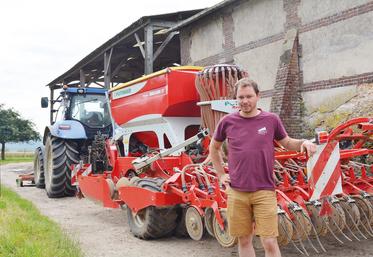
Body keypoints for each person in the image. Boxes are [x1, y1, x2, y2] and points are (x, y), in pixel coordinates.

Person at [209, 78, 316, 257]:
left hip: (264, 191)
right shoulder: (227, 122)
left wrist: (304, 142)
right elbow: (214, 147)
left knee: (269, 241)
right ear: (236, 99)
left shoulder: (271, 120)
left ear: (258, 96)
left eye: (249, 96)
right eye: (240, 97)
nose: (245, 101)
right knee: (244, 240)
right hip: (237, 192)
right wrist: (221, 175)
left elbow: (287, 142)